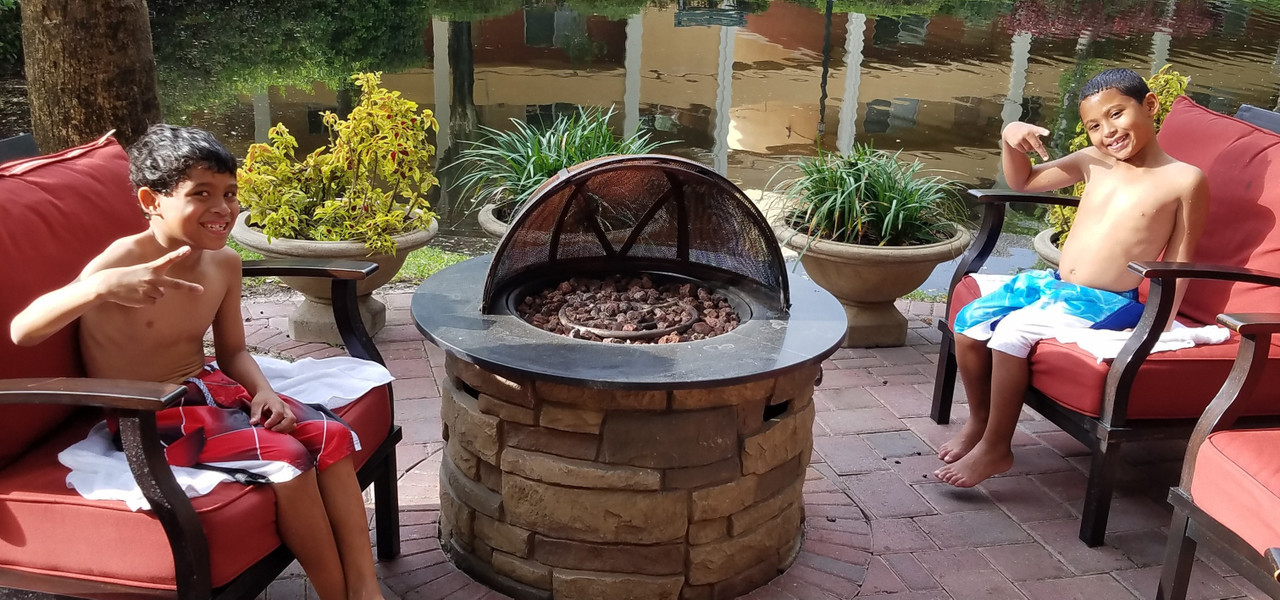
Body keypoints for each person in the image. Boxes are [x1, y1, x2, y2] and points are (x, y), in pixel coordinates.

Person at [9, 125, 384, 600]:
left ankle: (366, 589)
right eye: (201, 193)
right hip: (150, 414)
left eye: (230, 193)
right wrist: (99, 288)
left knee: (331, 436)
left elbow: (233, 352)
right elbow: (23, 331)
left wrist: (263, 391)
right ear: (152, 200)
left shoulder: (223, 263)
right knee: (287, 459)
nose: (222, 207)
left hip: (211, 388)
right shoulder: (122, 262)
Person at [933, 68, 1209, 488]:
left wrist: (1161, 324)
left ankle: (996, 447)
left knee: (1010, 334)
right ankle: (979, 423)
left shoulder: (1184, 180)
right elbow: (1024, 180)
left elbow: (1180, 261)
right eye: (1094, 126)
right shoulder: (1092, 161)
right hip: (1058, 286)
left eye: (1116, 114)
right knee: (969, 324)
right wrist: (1010, 137)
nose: (1107, 132)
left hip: (1108, 302)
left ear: (1150, 105)